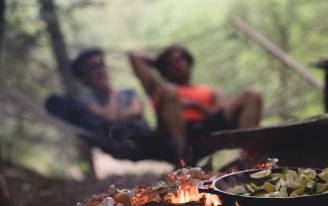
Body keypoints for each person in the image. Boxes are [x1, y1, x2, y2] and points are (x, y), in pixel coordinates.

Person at [128, 44, 262, 160]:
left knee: (252, 95)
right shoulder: (159, 89)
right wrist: (159, 61)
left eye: (180, 59)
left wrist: (197, 106)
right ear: (164, 69)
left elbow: (222, 112)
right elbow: (134, 56)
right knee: (170, 91)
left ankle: (249, 155)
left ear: (188, 62)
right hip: (176, 134)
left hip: (208, 126)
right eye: (170, 63)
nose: (176, 64)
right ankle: (183, 157)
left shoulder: (209, 90)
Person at [47, 48, 180, 163]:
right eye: (94, 67)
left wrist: (118, 114)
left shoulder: (128, 92)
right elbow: (110, 118)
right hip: (124, 145)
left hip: (149, 137)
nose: (101, 70)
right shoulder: (84, 100)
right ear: (84, 77)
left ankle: (182, 154)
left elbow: (137, 111)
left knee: (169, 94)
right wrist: (110, 92)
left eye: (102, 65)